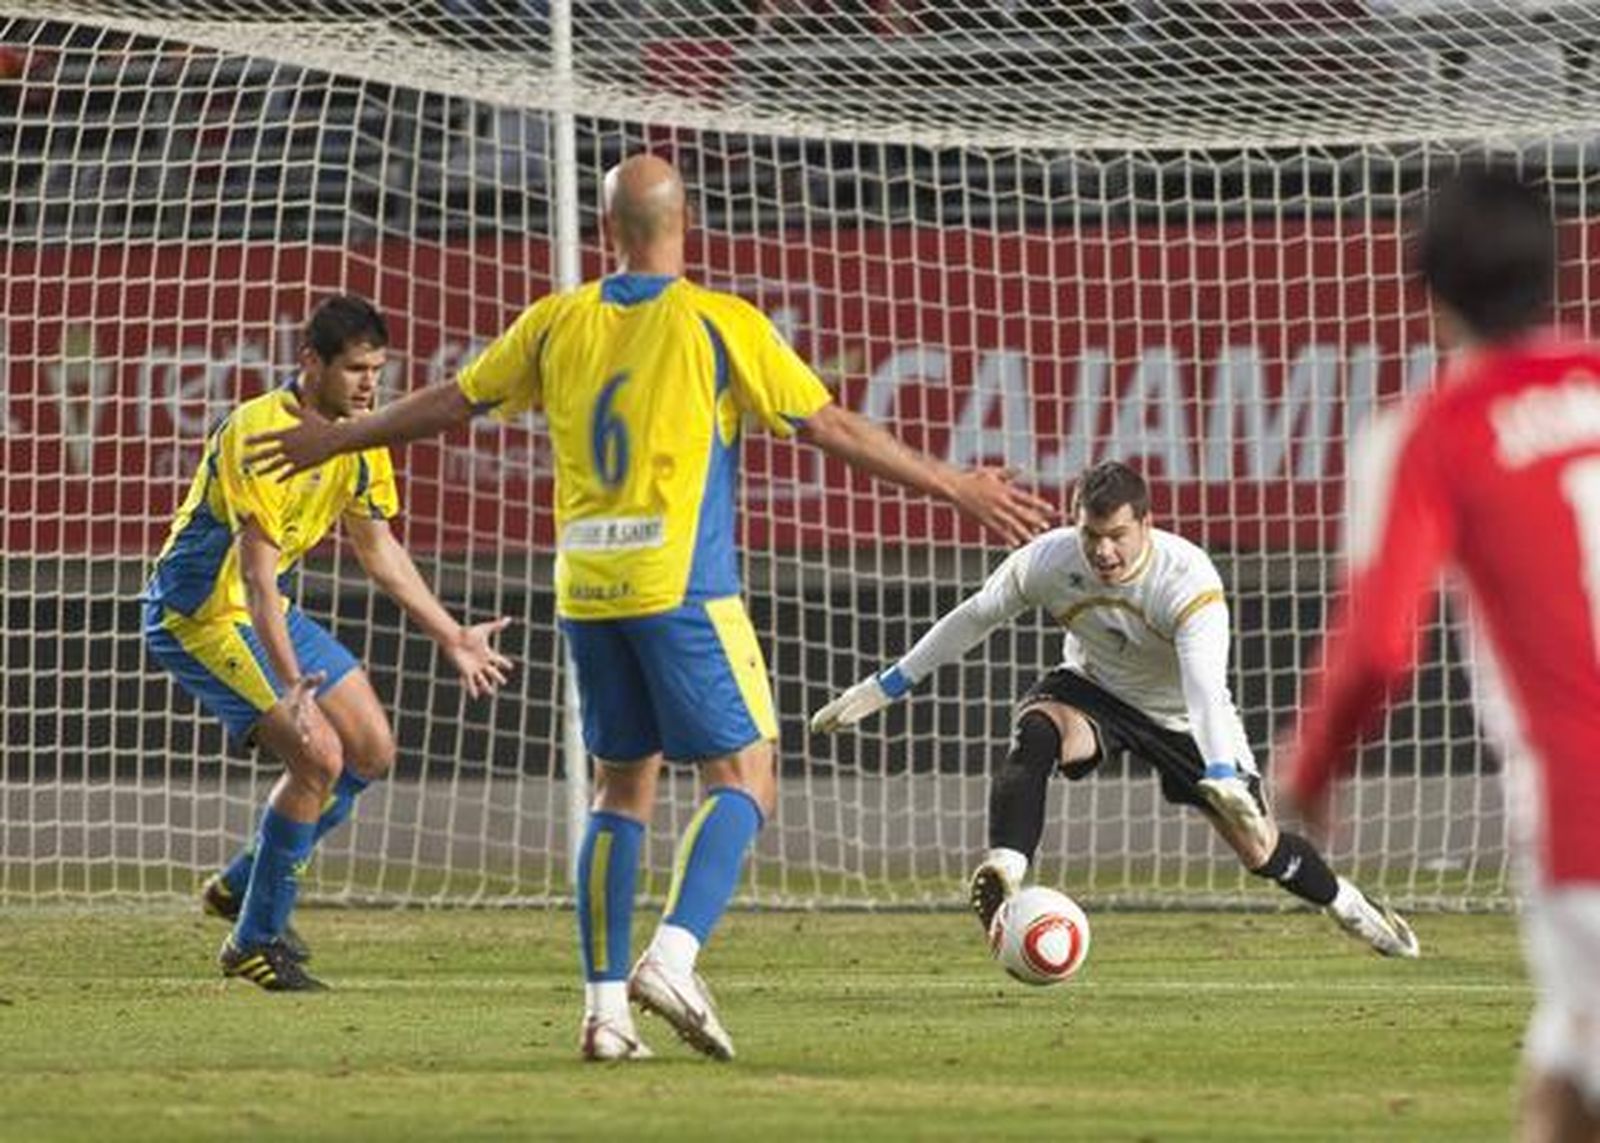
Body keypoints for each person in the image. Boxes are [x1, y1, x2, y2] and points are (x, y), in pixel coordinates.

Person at [242, 154, 1055, 1059]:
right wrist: (954, 485)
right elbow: (828, 424)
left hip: (585, 592)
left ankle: (604, 1014)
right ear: (683, 224)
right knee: (746, 778)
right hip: (681, 588)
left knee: (621, 788)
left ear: (607, 232)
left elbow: (453, 402)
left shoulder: (556, 322)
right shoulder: (718, 322)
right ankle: (670, 955)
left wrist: (339, 435)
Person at [1281, 170, 1600, 1142]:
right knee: (1562, 1083)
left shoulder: (1428, 432)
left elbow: (1379, 645)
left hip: (1583, 822)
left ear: (1425, 291)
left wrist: (1306, 774)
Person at [812, 459, 1419, 958]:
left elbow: (1205, 686)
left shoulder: (1187, 581)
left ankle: (1351, 908)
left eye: (1116, 536)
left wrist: (1222, 773)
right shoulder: (1049, 560)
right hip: (1094, 691)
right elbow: (973, 617)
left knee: (1260, 849)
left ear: (1146, 526)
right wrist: (886, 686)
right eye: (1091, 536)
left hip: (1183, 717)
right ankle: (1005, 869)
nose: (1102, 552)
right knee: (1038, 729)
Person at [141, 295, 513, 992]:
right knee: (318, 755)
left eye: (378, 369)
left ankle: (242, 884)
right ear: (310, 362)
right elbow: (252, 576)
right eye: (355, 369)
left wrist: (452, 634)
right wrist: (292, 685)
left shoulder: (359, 439)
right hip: (198, 616)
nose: (371, 384)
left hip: (262, 610)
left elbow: (380, 552)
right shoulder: (260, 433)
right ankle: (253, 941)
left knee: (371, 749)